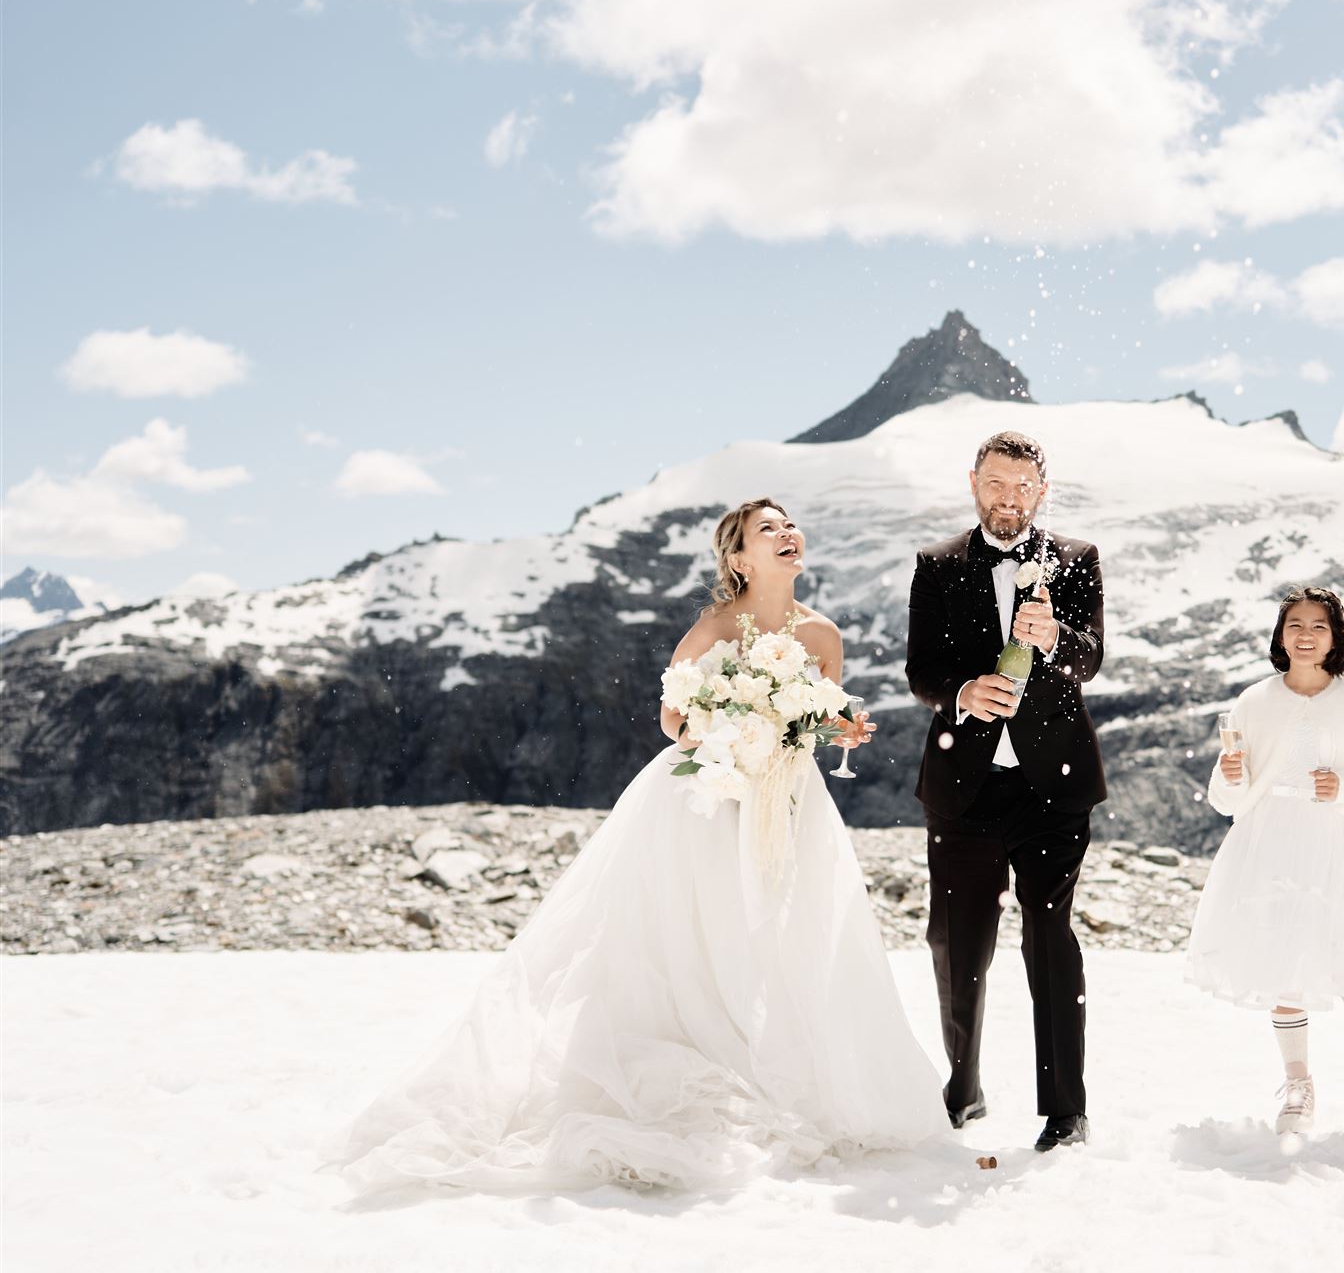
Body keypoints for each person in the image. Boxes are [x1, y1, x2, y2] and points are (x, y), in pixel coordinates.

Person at [323, 497, 951, 1194]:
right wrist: (729, 723)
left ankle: (789, 1065)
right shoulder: (717, 623)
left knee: (790, 934)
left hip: (787, 800)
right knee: (702, 935)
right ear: (738, 557)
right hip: (708, 799)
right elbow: (674, 711)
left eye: (789, 525)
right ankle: (702, 1056)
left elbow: (822, 715)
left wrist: (839, 730)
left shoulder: (823, 633)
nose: (786, 534)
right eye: (767, 529)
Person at [904, 431, 1106, 1152]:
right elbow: (921, 670)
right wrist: (963, 690)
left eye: (1022, 486)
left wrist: (1054, 637)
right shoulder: (937, 564)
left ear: (1042, 490)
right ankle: (962, 1086)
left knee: (1050, 939)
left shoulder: (1077, 561)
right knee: (957, 945)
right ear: (973, 483)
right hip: (964, 788)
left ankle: (1066, 1109)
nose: (1009, 498)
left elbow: (1092, 659)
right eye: (996, 483)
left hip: (1055, 788)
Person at [1187, 585, 1344, 1140]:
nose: (1305, 636)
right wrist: (1230, 778)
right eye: (1295, 625)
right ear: (1280, 635)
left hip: (1337, 845)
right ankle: (1299, 1086)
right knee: (1280, 968)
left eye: (1317, 626)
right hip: (1269, 845)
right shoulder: (1254, 701)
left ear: (1335, 638)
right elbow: (1228, 796)